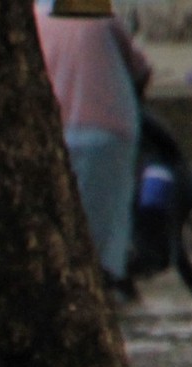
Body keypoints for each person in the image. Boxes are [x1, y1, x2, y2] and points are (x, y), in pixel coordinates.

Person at [36, 0, 152, 295]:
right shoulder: (97, 12)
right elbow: (139, 67)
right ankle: (107, 278)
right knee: (106, 220)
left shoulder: (34, 19)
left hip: (55, 131)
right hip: (108, 129)